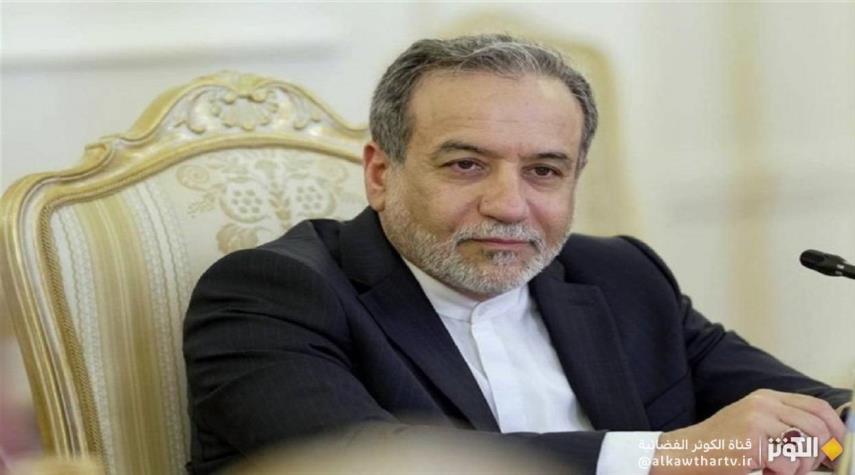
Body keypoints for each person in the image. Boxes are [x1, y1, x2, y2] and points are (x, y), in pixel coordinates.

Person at [183, 34, 851, 475]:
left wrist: (823, 437)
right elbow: (369, 463)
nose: (508, 205)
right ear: (381, 174)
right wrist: (669, 455)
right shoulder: (269, 294)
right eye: (467, 165)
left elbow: (815, 413)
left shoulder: (619, 275)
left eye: (544, 171)